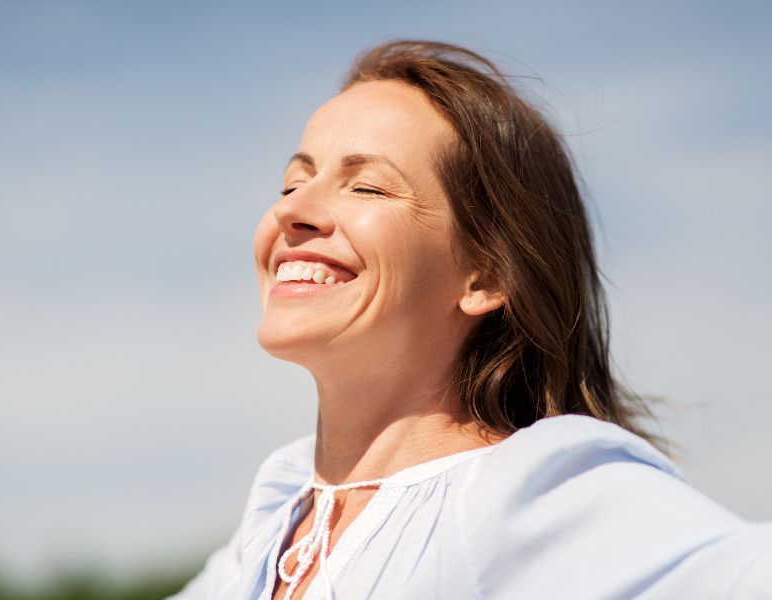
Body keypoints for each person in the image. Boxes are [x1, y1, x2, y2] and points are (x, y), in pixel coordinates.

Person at [168, 40, 771, 600]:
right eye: (293, 181)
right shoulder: (278, 513)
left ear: (485, 275)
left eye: (369, 189)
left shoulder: (524, 491)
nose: (291, 209)